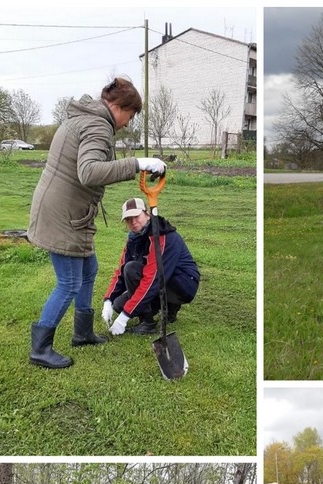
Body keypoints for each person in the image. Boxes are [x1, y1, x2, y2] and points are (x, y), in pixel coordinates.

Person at [27, 77, 166, 369]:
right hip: (64, 214)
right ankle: (40, 348)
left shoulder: (86, 117)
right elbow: (89, 172)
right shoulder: (98, 125)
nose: (128, 123)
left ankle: (82, 332)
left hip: (67, 209)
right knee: (68, 282)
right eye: (130, 115)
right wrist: (137, 163)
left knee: (89, 269)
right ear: (118, 106)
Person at [102, 198, 200, 335]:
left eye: (136, 216)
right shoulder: (134, 239)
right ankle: (167, 307)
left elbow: (153, 279)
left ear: (147, 214)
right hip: (161, 281)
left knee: (131, 269)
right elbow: (120, 272)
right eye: (128, 219)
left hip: (183, 284)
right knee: (118, 304)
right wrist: (108, 300)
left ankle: (147, 322)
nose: (133, 222)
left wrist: (124, 317)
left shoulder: (161, 236)